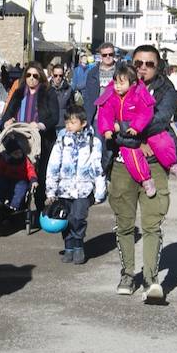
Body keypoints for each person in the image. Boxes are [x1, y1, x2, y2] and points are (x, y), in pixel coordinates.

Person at [102, 49, 173, 298]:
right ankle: (128, 274)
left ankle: (151, 279)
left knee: (152, 223)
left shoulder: (166, 90)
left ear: (158, 66)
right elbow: (102, 117)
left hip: (152, 164)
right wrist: (124, 133)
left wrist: (125, 127)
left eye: (149, 64)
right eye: (138, 63)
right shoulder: (117, 86)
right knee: (124, 223)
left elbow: (160, 120)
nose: (143, 68)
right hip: (122, 163)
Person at [96, 64, 175, 198]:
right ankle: (146, 180)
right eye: (115, 82)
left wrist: (136, 126)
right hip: (125, 138)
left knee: (161, 140)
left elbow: (146, 112)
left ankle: (172, 163)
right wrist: (107, 129)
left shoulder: (139, 92)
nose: (117, 86)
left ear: (132, 83)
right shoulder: (111, 94)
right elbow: (105, 113)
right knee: (132, 157)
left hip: (139, 129)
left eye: (121, 83)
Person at [45, 107, 105, 264]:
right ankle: (69, 246)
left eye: (73, 122)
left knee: (78, 218)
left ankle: (78, 245)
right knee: (64, 219)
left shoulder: (93, 142)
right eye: (67, 122)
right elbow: (53, 165)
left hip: (83, 190)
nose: (69, 125)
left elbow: (98, 168)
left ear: (83, 123)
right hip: (64, 189)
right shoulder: (62, 140)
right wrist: (51, 190)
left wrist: (100, 191)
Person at [3, 61, 60, 210]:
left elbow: (54, 117)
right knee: (18, 174)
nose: (31, 78)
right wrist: (7, 121)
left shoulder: (48, 92)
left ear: (40, 76)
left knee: (39, 176)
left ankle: (41, 208)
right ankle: (16, 207)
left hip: (40, 141)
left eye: (35, 75)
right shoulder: (19, 92)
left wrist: (41, 125)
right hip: (18, 140)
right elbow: (7, 113)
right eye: (28, 75)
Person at [0, 130, 37, 215]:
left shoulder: (25, 160)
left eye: (20, 153)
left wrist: (33, 180)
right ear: (10, 154)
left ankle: (13, 206)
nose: (18, 155)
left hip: (21, 179)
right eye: (15, 153)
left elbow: (30, 171)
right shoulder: (5, 160)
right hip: (7, 179)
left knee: (20, 187)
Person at [77, 42, 118, 130]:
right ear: (100, 56)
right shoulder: (92, 73)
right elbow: (88, 96)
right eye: (104, 55)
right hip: (97, 117)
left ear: (114, 54)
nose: (108, 57)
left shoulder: (121, 71)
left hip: (117, 118)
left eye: (110, 54)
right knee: (98, 143)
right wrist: (87, 117)